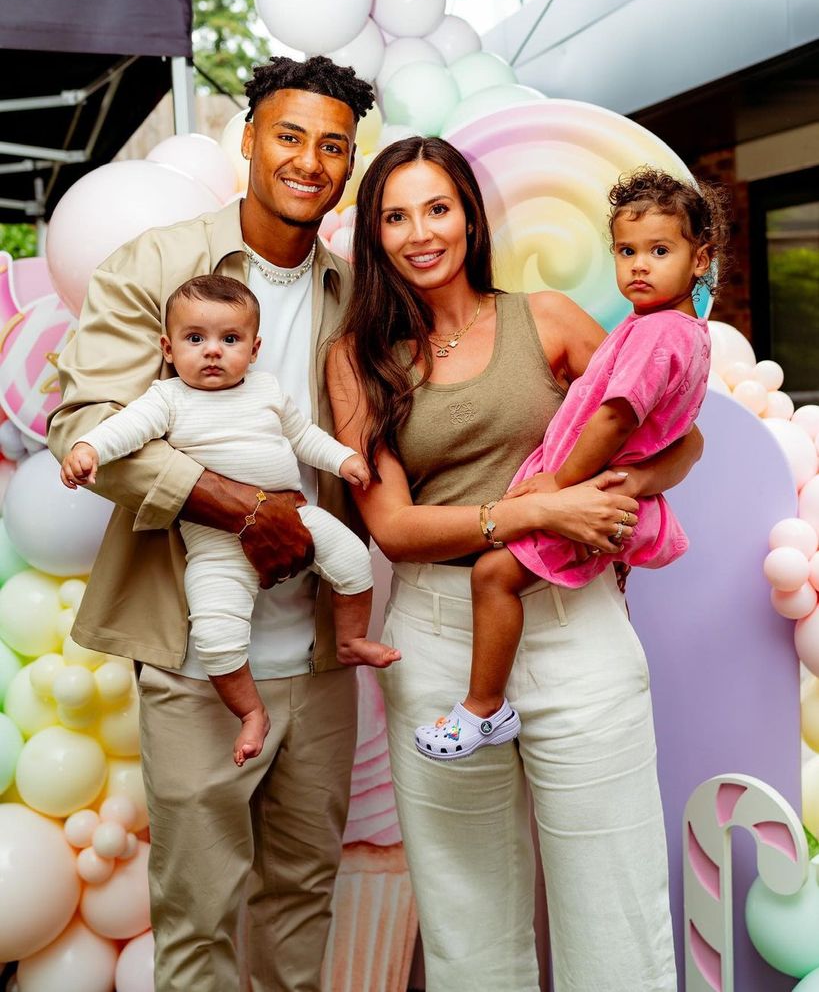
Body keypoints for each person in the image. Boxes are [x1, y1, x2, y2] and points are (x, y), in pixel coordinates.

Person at [327, 137, 704, 991]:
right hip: (437, 636)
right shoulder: (357, 360)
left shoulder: (546, 320)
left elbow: (679, 435)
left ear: (468, 214)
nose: (419, 232)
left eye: (436, 207)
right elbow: (392, 525)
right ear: (373, 234)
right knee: (469, 928)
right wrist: (534, 509)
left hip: (576, 632)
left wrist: (625, 485)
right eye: (394, 215)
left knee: (616, 911)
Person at [48, 56, 375, 992]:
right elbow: (85, 427)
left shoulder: (350, 292)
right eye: (289, 135)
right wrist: (245, 508)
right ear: (248, 141)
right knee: (195, 910)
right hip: (195, 654)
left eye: (333, 145)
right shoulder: (157, 265)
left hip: (317, 654)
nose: (309, 160)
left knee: (304, 893)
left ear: (348, 162)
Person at [414, 166, 726, 761]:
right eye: (626, 250)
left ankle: (482, 709)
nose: (639, 265)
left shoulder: (659, 334)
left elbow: (615, 417)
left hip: (583, 489)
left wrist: (556, 484)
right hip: (601, 487)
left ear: (700, 259)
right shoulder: (674, 330)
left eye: (660, 251)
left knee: (492, 576)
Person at [59, 274, 399, 766]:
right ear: (168, 348)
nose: (212, 351)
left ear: (255, 348)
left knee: (353, 557)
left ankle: (349, 640)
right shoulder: (167, 398)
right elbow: (125, 429)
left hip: (296, 515)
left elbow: (303, 436)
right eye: (195, 339)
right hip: (216, 545)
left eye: (230, 339)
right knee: (216, 637)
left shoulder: (265, 391)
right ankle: (251, 713)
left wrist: (342, 460)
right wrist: (89, 447)